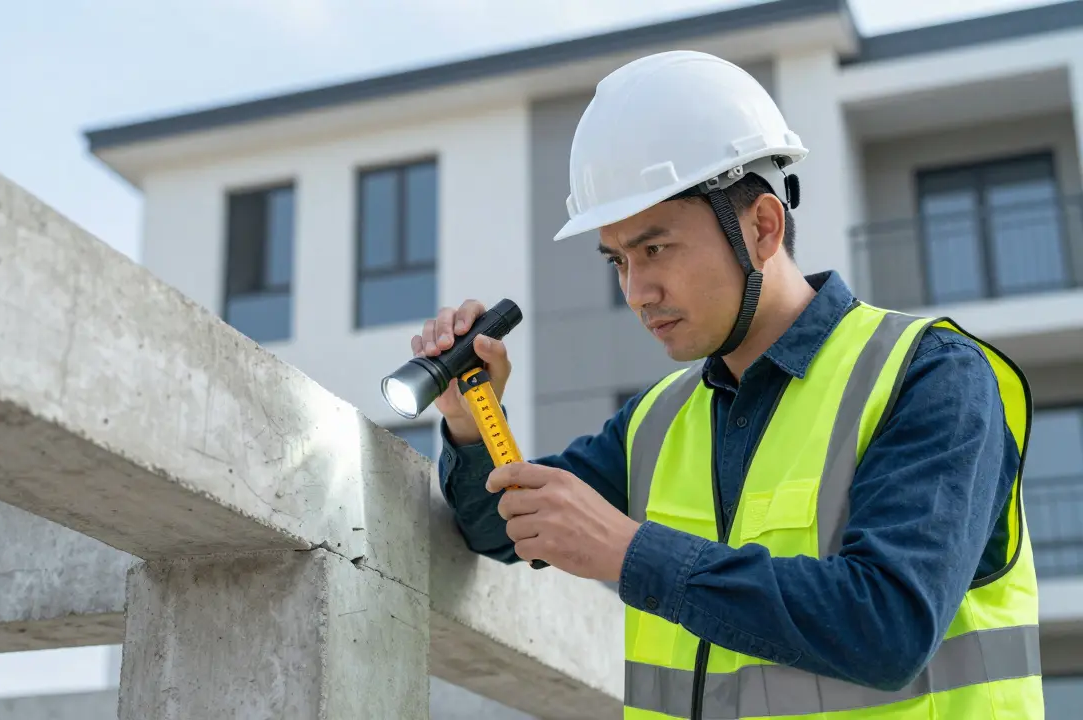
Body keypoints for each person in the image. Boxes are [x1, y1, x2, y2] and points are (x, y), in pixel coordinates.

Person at [411, 50, 1042, 719]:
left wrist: (631, 553)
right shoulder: (656, 423)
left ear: (762, 227)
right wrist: (469, 418)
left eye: (655, 249)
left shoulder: (931, 377)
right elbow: (502, 529)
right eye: (617, 260)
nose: (635, 291)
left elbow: (887, 625)